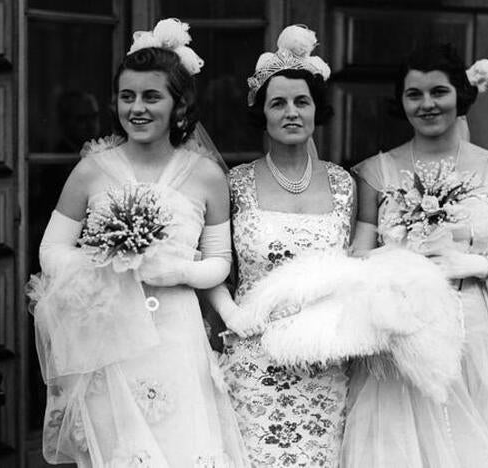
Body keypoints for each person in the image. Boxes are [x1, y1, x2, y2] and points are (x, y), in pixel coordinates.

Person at [27, 19, 248, 467]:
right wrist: (105, 266)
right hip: (111, 339)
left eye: (152, 96)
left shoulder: (205, 176)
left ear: (178, 105)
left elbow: (220, 262)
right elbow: (51, 251)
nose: (138, 108)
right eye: (128, 97)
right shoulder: (92, 170)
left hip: (177, 337)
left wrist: (178, 271)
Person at [343, 43, 488, 467]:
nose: (427, 104)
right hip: (401, 331)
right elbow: (360, 252)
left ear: (459, 95)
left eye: (439, 91)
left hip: (472, 326)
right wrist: (394, 269)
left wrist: (475, 265)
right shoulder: (377, 172)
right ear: (402, 101)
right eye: (414, 94)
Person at [205, 25, 354, 467]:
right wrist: (233, 317)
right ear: (263, 114)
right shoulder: (236, 184)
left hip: (326, 361)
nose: (291, 112)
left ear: (316, 111)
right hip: (254, 358)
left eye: (301, 101)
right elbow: (211, 264)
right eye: (278, 103)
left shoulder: (344, 184)